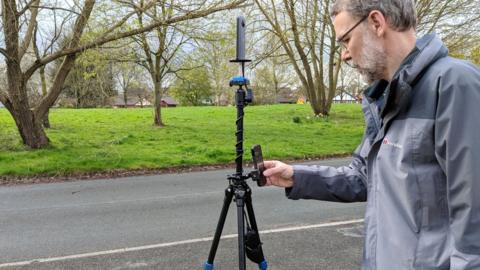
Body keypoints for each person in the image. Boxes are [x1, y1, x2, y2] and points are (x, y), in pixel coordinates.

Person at [262, 0, 480, 269]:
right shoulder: (385, 97)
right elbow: (365, 176)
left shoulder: (454, 84)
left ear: (376, 22)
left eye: (346, 40)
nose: (344, 55)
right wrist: (296, 176)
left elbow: (474, 220)